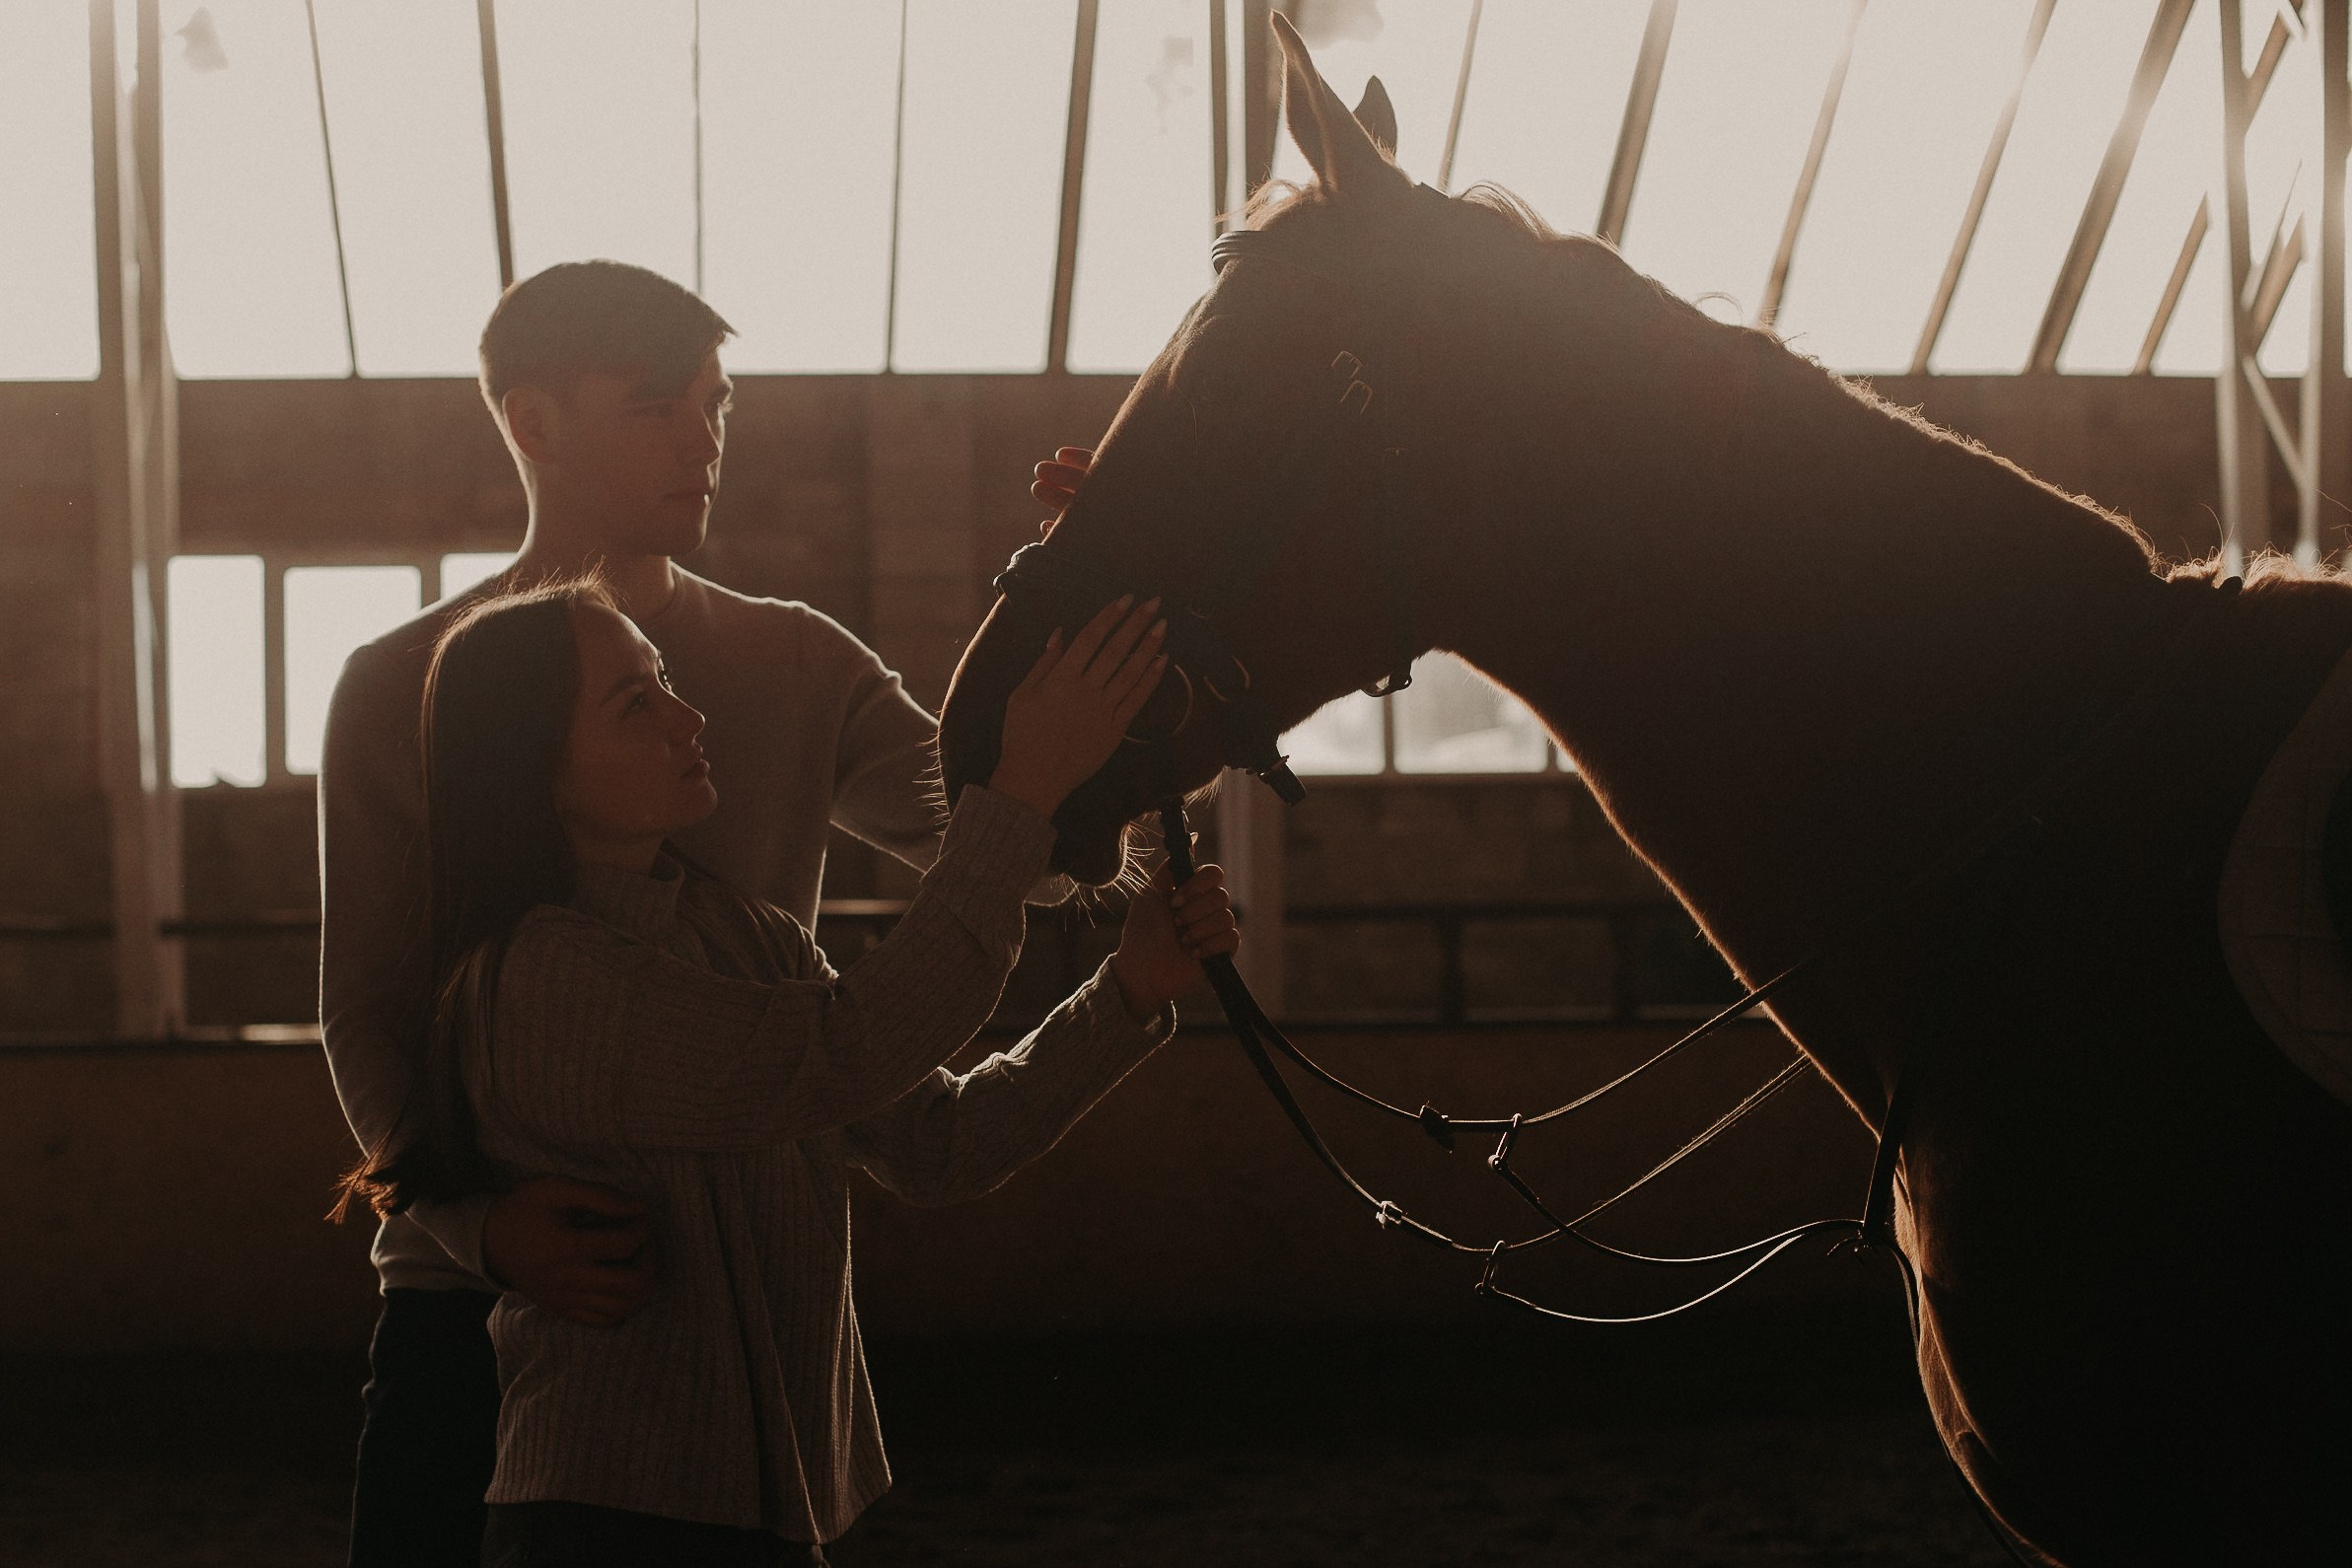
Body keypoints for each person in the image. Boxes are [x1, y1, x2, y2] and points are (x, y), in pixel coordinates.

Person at [318, 259, 1102, 1566]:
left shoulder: (801, 660)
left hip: (730, 1304)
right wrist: (478, 1226)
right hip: (471, 1306)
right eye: (654, 406)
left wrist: (1101, 598)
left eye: (716, 405)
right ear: (531, 422)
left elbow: (1029, 840)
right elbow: (367, 1015)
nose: (703, 439)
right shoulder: (399, 681)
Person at [333, 574, 1232, 1564]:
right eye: (637, 703)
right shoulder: (541, 981)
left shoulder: (745, 936)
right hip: (610, 1525)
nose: (688, 715)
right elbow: (851, 1049)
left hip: (762, 1516)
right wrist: (1019, 796)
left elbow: (939, 1145)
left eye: (664, 676)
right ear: (532, 770)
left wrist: (1130, 992)